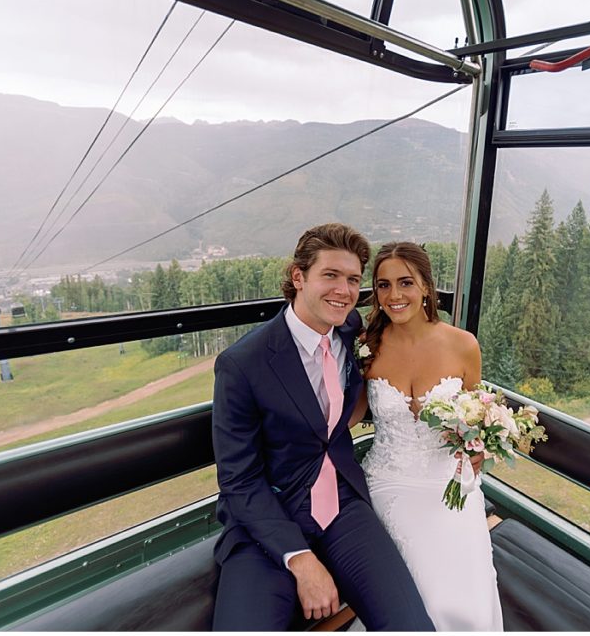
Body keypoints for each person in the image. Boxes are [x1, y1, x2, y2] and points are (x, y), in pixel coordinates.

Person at [211, 223, 434, 631]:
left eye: (352, 280)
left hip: (343, 506)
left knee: (411, 626)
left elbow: (408, 357)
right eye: (330, 275)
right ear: (298, 277)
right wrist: (300, 559)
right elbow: (239, 482)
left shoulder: (352, 333)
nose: (344, 291)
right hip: (268, 519)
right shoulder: (242, 364)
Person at [349, 241, 504, 631]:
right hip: (388, 481)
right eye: (383, 285)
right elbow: (347, 415)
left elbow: (475, 414)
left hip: (449, 481)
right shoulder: (368, 348)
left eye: (405, 283)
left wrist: (478, 448)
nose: (394, 295)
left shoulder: (463, 345)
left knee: (459, 590)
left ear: (426, 288)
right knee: (416, 589)